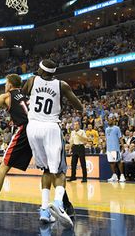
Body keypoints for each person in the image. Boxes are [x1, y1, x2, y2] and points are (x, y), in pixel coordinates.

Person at [0, 74, 75, 221]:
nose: (5, 86)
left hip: (26, 130)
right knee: (51, 169)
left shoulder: (7, 96)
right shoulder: (30, 94)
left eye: (5, 84)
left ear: (9, 85)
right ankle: (66, 205)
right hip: (41, 129)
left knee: (3, 168)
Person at [23, 59, 83, 226]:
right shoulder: (61, 84)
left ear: (40, 70)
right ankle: (58, 203)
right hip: (51, 127)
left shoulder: (32, 80)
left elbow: (22, 95)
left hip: (33, 127)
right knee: (60, 170)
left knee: (46, 170)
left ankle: (44, 209)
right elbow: (78, 106)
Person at [106, 118, 125, 182]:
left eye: (111, 120)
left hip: (115, 148)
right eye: (108, 120)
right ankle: (114, 176)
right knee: (111, 162)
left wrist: (123, 146)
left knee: (118, 161)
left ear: (113, 121)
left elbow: (120, 137)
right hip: (109, 148)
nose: (109, 121)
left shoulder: (117, 128)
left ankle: (122, 176)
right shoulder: (106, 129)